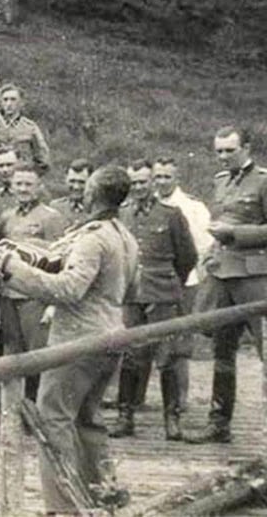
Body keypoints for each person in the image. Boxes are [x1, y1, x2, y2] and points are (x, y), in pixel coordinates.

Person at [0, 165, 138, 513]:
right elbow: (133, 288)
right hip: (113, 332)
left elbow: (69, 289)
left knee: (53, 418)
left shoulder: (93, 237)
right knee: (89, 420)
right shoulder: (124, 236)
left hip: (78, 340)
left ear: (91, 195)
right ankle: (103, 494)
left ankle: (63, 507)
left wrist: (14, 268)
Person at [185, 126, 267, 444]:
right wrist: (213, 252)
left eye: (230, 150)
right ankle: (219, 424)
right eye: (219, 151)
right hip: (223, 277)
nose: (223, 156)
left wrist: (235, 234)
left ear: (247, 147)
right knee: (222, 351)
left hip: (255, 277)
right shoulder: (220, 180)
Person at [111, 160, 197, 441]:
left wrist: (171, 285)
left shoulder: (171, 215)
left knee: (168, 358)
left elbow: (187, 257)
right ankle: (125, 416)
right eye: (134, 183)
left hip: (162, 295)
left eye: (143, 182)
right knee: (131, 356)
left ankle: (172, 420)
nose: (139, 188)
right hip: (132, 296)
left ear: (153, 183)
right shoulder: (121, 215)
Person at [0, 164, 67, 403]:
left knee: (38, 356)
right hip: (9, 295)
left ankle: (40, 410)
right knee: (12, 353)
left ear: (39, 187)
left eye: (29, 184)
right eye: (19, 184)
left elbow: (61, 260)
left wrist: (53, 304)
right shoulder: (7, 216)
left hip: (36, 298)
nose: (23, 189)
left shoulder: (51, 217)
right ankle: (16, 412)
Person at [154, 155, 213, 404]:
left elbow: (202, 249)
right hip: (150, 283)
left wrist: (186, 279)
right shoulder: (145, 204)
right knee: (141, 341)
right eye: (158, 176)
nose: (162, 182)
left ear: (177, 178)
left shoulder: (193, 207)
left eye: (167, 177)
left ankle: (179, 401)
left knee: (178, 343)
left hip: (182, 283)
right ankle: (133, 401)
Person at [50, 159, 93, 228]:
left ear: (91, 182)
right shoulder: (55, 208)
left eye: (81, 182)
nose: (76, 187)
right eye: (72, 181)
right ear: (65, 180)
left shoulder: (96, 209)